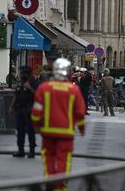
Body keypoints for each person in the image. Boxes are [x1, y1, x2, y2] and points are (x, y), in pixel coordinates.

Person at [31, 58, 85, 191]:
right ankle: (60, 186)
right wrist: (81, 128)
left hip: (48, 131)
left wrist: (36, 124)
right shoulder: (74, 90)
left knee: (48, 156)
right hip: (66, 133)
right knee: (63, 159)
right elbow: (79, 113)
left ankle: (50, 179)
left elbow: (36, 110)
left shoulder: (44, 88)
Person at [9, 66, 39, 158]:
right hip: (20, 109)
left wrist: (30, 88)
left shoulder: (34, 82)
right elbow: (16, 95)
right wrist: (12, 106)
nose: (21, 75)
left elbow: (38, 95)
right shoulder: (20, 82)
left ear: (27, 74)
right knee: (20, 130)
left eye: (23, 73)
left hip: (29, 109)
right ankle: (20, 150)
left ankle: (32, 151)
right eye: (21, 73)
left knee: (30, 130)